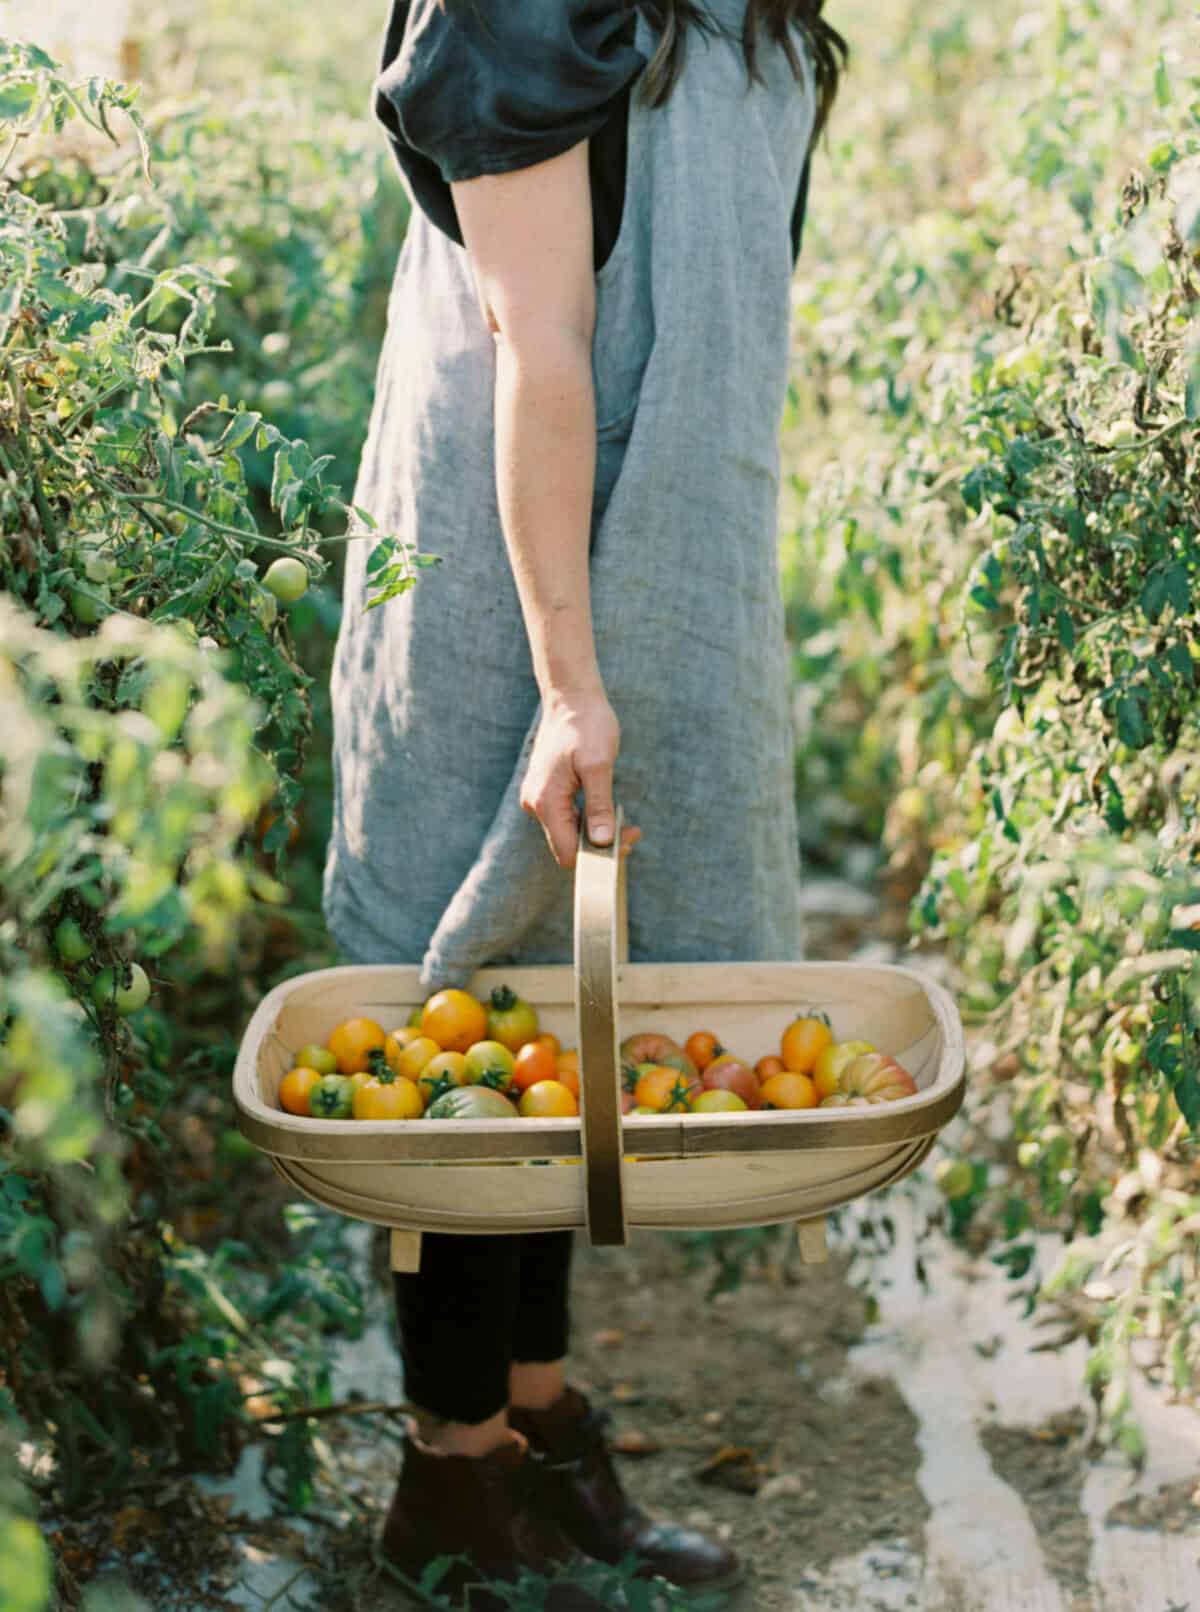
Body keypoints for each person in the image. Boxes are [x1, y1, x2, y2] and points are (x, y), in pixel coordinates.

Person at [321, 1, 847, 1605]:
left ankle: (532, 1415)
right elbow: (532, 334)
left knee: (571, 998)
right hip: (509, 560)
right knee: (457, 1008)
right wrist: (566, 681)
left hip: (662, 535)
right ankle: (450, 1472)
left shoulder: (749, 14)